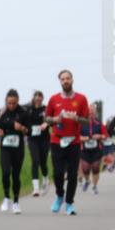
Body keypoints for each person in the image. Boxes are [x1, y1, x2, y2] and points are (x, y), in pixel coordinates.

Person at [44, 70, 90, 215]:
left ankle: (69, 203)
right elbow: (46, 118)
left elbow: (87, 120)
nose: (65, 81)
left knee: (72, 174)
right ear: (60, 81)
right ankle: (59, 196)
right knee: (58, 173)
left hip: (74, 141)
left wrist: (77, 119)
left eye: (68, 78)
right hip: (57, 140)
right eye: (63, 79)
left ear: (72, 80)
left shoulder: (81, 99)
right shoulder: (54, 99)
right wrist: (54, 119)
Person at [0, 89, 31, 214]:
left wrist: (22, 128)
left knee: (15, 175)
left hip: (18, 147)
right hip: (5, 147)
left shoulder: (23, 112)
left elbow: (29, 131)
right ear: (6, 101)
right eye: (9, 103)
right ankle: (6, 197)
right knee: (5, 172)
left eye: (14, 103)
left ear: (18, 101)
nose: (11, 105)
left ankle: (16, 202)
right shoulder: (0, 112)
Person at [25, 90, 50, 197]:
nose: (38, 98)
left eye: (40, 96)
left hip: (44, 139)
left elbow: (51, 119)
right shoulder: (28, 109)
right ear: (33, 98)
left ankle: (45, 178)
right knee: (35, 161)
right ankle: (35, 188)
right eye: (36, 96)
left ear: (42, 98)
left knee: (43, 162)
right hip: (32, 139)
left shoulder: (46, 109)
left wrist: (46, 123)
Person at [78, 106, 107, 195]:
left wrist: (100, 136)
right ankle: (87, 180)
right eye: (89, 113)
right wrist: (83, 138)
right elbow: (76, 136)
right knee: (85, 168)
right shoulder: (81, 123)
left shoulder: (99, 124)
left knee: (95, 167)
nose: (91, 115)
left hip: (96, 149)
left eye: (93, 113)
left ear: (95, 113)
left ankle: (95, 186)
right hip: (84, 149)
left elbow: (105, 135)